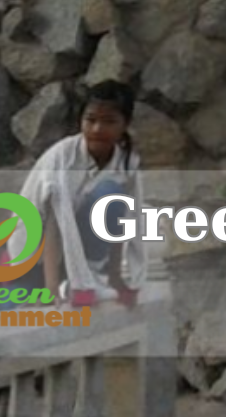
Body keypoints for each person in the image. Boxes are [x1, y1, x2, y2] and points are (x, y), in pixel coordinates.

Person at [19, 86, 149, 308]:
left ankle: (84, 280)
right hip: (31, 258)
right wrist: (50, 290)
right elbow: (53, 223)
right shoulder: (63, 158)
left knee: (110, 194)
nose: (98, 128)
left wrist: (115, 279)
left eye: (109, 121)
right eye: (90, 120)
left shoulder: (126, 164)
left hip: (77, 261)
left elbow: (119, 224)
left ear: (124, 124)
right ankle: (71, 283)